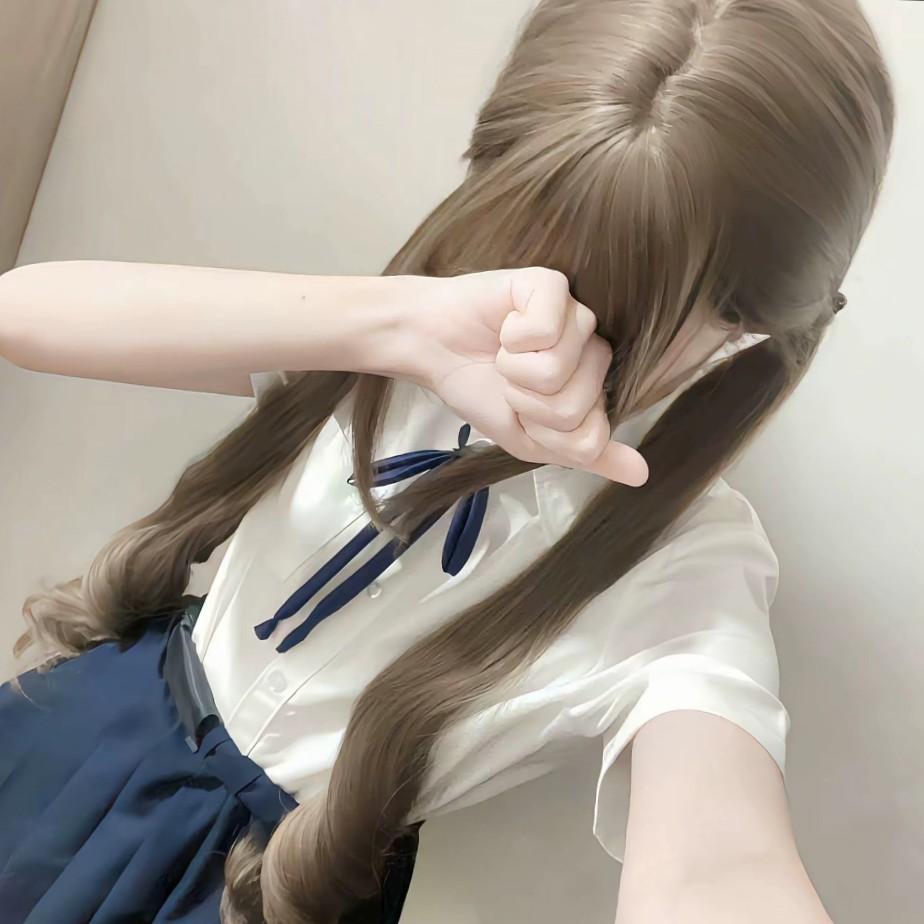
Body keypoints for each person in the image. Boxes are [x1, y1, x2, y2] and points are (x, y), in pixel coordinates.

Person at [0, 0, 894, 922]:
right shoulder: (402, 338)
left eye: (629, 304)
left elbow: (720, 866)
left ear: (749, 324)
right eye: (530, 231)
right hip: (75, 740)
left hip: (252, 891)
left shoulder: (687, 566)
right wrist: (398, 322)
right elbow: (24, 311)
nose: (559, 312)